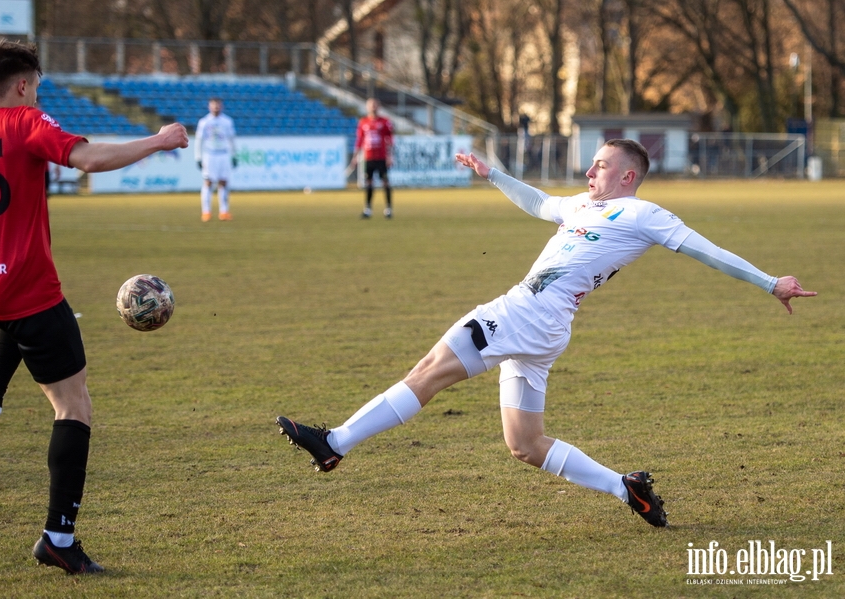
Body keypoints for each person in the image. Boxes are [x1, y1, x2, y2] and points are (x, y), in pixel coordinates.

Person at [276, 139, 816, 528]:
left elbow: (705, 248)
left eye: (601, 166)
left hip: (526, 314)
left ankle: (334, 443)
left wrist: (771, 282)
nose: (590, 172)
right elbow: (540, 203)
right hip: (545, 327)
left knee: (426, 373)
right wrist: (492, 174)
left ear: (628, 176)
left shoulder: (642, 213)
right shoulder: (585, 205)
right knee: (526, 444)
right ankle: (626, 489)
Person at [0, 39, 189, 573]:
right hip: (22, 285)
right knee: (73, 406)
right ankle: (58, 538)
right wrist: (159, 139)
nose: (37, 93)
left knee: (17, 318)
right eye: (36, 84)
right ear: (22, 84)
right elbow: (88, 159)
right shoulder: (26, 121)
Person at [350, 98, 394, 219]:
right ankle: (368, 209)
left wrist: (390, 156)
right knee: (369, 183)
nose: (373, 107)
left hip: (382, 157)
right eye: (371, 105)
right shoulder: (363, 122)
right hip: (368, 158)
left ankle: (388, 209)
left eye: (375, 105)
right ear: (367, 107)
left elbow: (390, 140)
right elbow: (359, 141)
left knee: (385, 182)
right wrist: (355, 157)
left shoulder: (385, 122)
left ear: (378, 106)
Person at [194, 98, 237, 221]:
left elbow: (231, 139)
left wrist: (234, 155)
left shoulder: (227, 121)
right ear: (209, 107)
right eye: (213, 105)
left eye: (218, 105)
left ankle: (224, 211)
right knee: (208, 182)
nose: (216, 108)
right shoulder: (204, 122)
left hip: (223, 154)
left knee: (223, 182)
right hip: (210, 155)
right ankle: (206, 211)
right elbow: (198, 140)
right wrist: (198, 157)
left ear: (221, 107)